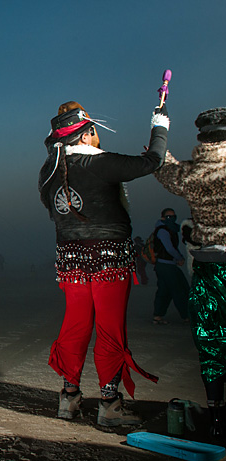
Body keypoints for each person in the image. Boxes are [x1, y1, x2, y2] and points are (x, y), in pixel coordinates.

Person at [38, 100, 167, 426]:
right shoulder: (102, 164)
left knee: (76, 324)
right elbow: (153, 161)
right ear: (85, 135)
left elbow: (53, 209)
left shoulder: (48, 171)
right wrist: (160, 125)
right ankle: (109, 403)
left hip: (70, 260)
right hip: (109, 258)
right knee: (110, 327)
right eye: (94, 131)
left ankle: (69, 397)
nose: (97, 137)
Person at [153, 107, 226, 438]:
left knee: (212, 344)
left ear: (202, 140)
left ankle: (216, 418)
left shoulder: (192, 176)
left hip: (210, 269)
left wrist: (159, 127)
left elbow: (160, 164)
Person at [152, 208, 190, 324]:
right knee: (180, 290)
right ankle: (187, 315)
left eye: (173, 216)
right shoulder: (163, 230)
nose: (172, 219)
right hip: (166, 265)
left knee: (165, 290)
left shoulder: (170, 229)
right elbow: (169, 248)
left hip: (165, 264)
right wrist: (179, 258)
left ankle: (158, 315)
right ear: (163, 217)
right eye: (169, 216)